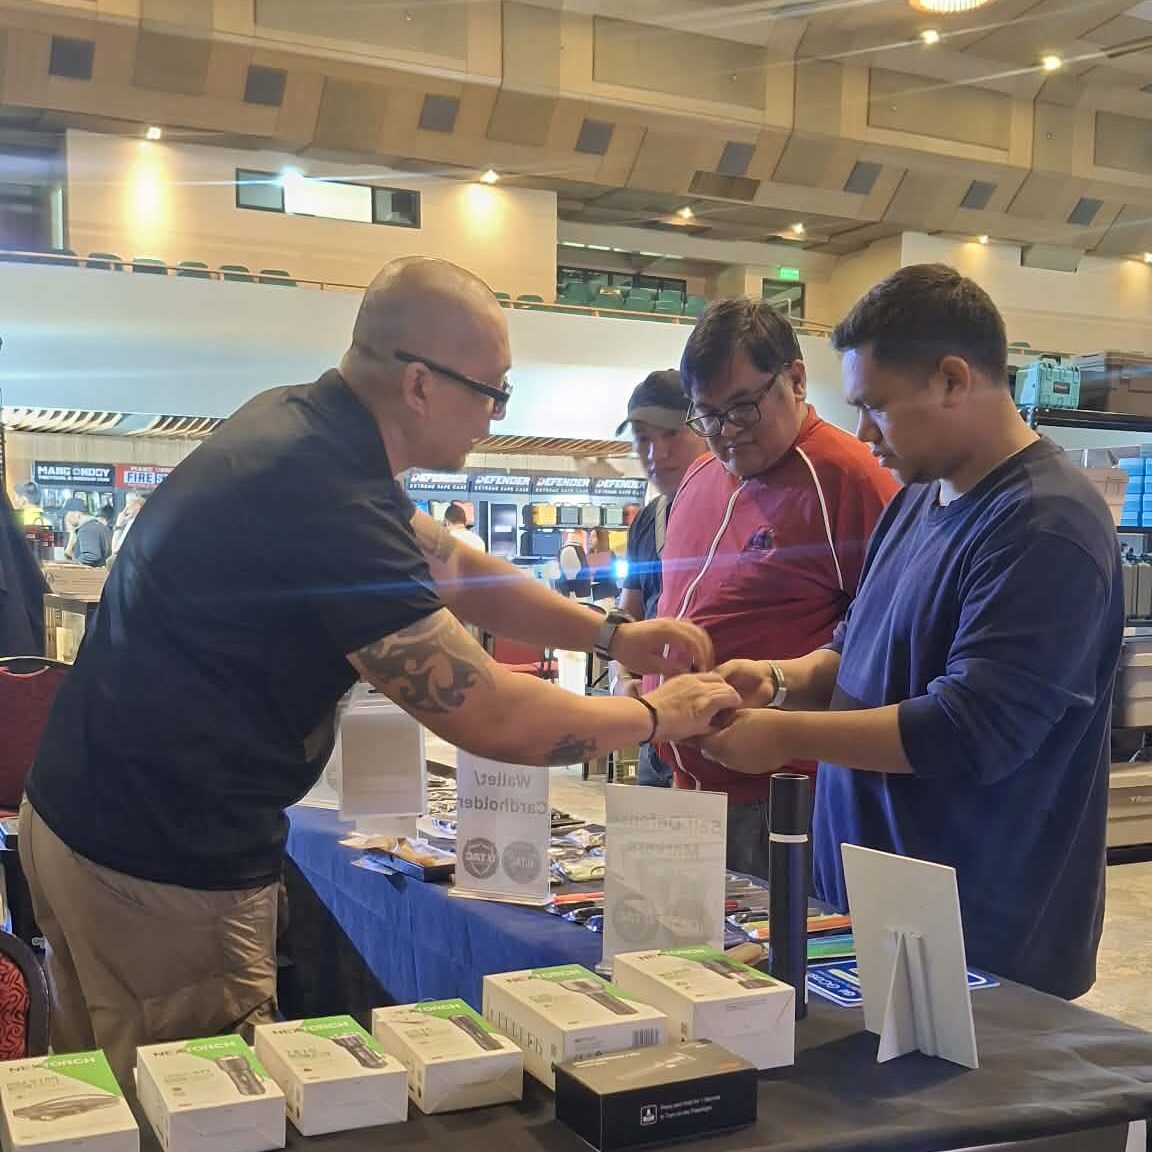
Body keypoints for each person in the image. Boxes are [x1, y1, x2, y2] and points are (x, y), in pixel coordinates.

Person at [20, 256, 740, 1080]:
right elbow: (491, 715)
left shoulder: (306, 429)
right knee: (197, 1109)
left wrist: (612, 635)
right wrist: (658, 715)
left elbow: (455, 568)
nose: (496, 418)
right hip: (157, 862)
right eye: (493, 392)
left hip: (84, 819)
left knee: (108, 1095)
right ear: (420, 384)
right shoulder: (331, 493)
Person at [700, 264, 1123, 1000]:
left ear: (953, 379)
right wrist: (778, 679)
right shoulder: (919, 499)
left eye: (878, 407)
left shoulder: (1047, 525)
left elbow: (968, 729)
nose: (864, 432)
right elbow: (858, 647)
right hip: (871, 917)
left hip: (981, 944)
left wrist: (783, 735)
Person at [646, 299, 898, 881]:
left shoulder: (849, 478)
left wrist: (781, 694)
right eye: (708, 415)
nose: (726, 433)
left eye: (743, 408)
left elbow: (885, 651)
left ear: (797, 380)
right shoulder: (699, 475)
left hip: (783, 801)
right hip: (684, 787)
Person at [611, 369, 702, 786]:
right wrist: (622, 679)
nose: (656, 453)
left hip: (718, 734)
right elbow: (627, 615)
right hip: (656, 733)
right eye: (643, 438)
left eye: (671, 434)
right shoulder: (649, 520)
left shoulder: (742, 507)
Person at [62, 500, 111, 567]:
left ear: (77, 514)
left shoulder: (86, 529)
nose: (66, 519)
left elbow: (92, 555)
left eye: (67, 515)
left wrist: (72, 564)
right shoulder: (97, 525)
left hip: (93, 572)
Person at [587, 527, 619, 605]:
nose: (590, 540)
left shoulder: (607, 555)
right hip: (592, 597)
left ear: (601, 539)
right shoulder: (590, 556)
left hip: (604, 597)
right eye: (589, 537)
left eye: (593, 537)